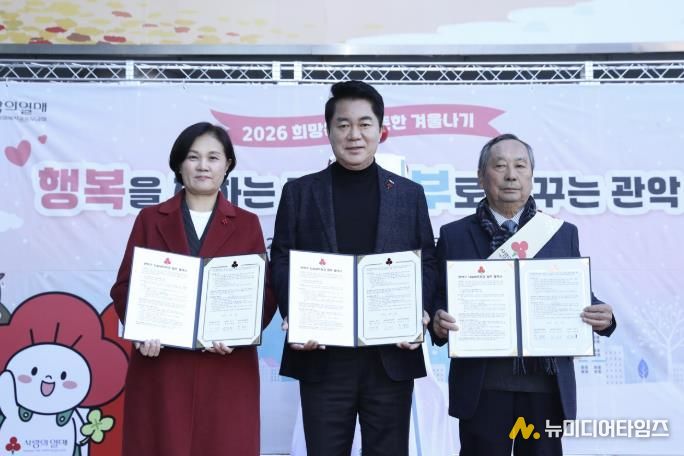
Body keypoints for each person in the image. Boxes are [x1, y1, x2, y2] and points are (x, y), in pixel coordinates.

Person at [270, 80, 437, 456]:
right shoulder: (299, 193)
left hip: (390, 355)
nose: (354, 135)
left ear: (381, 130)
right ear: (328, 131)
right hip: (322, 354)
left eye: (364, 124)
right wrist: (296, 313)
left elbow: (426, 259)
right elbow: (281, 258)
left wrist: (419, 313)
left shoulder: (409, 194)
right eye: (343, 125)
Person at [429, 133, 616, 456]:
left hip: (545, 385)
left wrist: (604, 316)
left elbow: (576, 294)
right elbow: (439, 299)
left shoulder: (561, 234)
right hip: (482, 386)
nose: (511, 175)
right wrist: (437, 320)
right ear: (480, 177)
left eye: (520, 166)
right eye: (499, 166)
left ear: (531, 175)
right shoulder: (454, 235)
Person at [110, 122, 276, 456]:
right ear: (178, 164)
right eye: (193, 157)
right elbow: (125, 287)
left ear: (227, 165)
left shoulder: (247, 223)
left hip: (226, 364)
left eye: (213, 157)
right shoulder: (150, 219)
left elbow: (264, 292)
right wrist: (143, 329)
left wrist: (238, 333)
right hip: (162, 364)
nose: (203, 166)